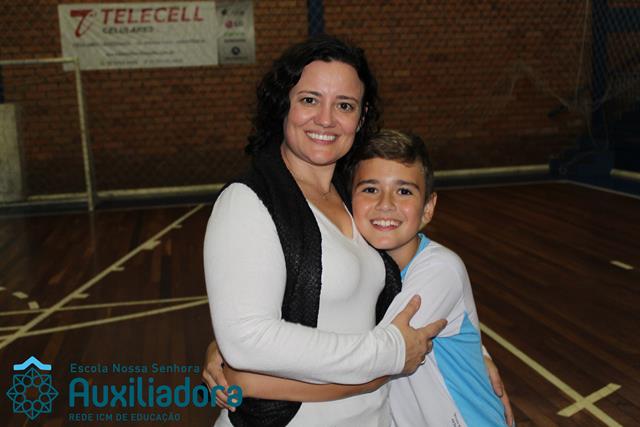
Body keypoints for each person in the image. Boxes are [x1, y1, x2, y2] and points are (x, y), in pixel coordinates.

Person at [204, 35, 447, 427]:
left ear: (361, 118)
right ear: (283, 105)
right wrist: (386, 353)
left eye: (344, 105)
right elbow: (248, 339)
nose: (326, 119)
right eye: (309, 99)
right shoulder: (247, 201)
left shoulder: (357, 195)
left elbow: (423, 272)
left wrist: (472, 353)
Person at [206, 130, 515, 426]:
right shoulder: (374, 270)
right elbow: (344, 331)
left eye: (404, 191)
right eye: (370, 189)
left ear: (428, 208)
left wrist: (250, 382)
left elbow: (374, 365)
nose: (386, 204)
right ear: (347, 201)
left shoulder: (438, 270)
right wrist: (228, 341)